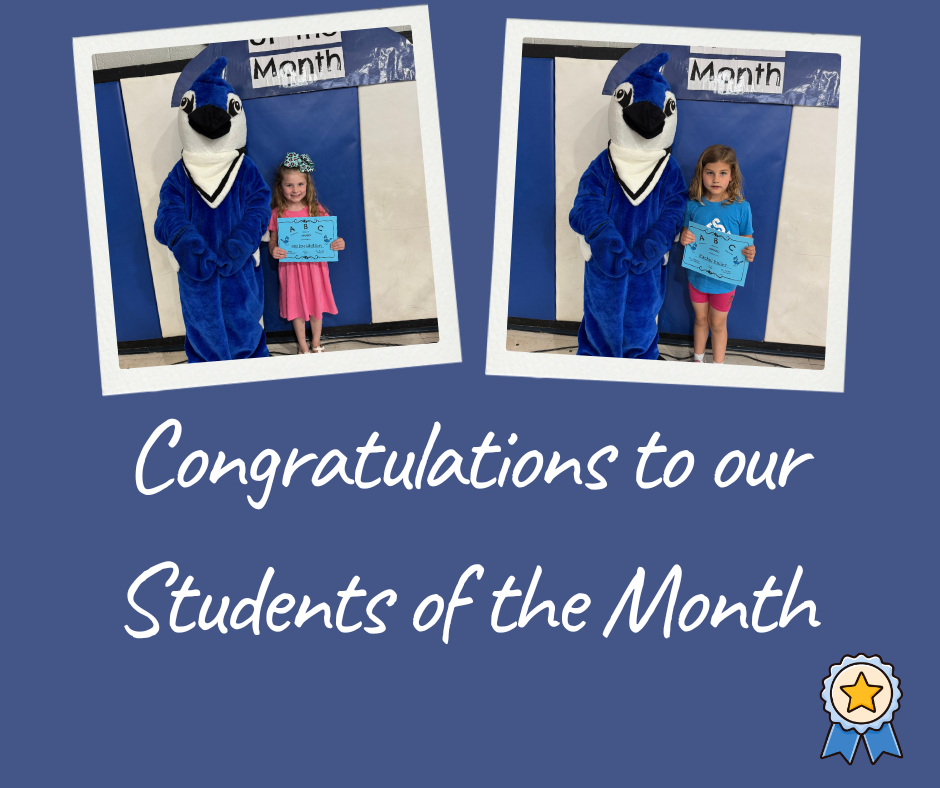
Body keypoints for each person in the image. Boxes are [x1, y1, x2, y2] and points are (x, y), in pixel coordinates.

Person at [679, 145, 756, 364]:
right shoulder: (693, 205)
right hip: (697, 277)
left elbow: (747, 242)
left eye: (722, 173)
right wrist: (684, 237)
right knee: (700, 319)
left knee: (718, 324)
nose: (716, 179)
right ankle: (698, 360)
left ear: (732, 176)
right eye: (710, 173)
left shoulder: (742, 208)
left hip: (724, 281)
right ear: (701, 173)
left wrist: (750, 251)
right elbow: (686, 236)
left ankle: (717, 368)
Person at [267, 153, 345, 354]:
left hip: (315, 268)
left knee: (316, 306)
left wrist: (338, 242)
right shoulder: (277, 213)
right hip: (291, 269)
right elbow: (273, 240)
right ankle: (303, 346)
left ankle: (316, 342)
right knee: (296, 307)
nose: (295, 190)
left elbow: (329, 238)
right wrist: (273, 249)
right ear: (280, 187)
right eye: (289, 185)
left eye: (300, 184)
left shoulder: (316, 209)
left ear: (307, 185)